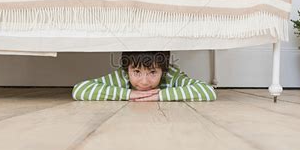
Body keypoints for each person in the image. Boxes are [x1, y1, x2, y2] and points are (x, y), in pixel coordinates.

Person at [72, 51, 217, 102]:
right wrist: (129, 94)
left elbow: (208, 91)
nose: (144, 81)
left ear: (163, 71)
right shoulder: (123, 77)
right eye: (136, 72)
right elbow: (79, 90)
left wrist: (158, 96)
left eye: (153, 72)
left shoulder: (170, 76)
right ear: (127, 69)